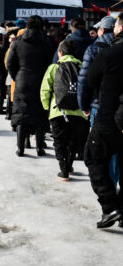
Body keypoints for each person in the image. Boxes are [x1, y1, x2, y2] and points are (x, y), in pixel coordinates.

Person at [84, 13, 123, 228]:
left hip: (109, 117)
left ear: (118, 29)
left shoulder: (107, 54)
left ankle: (110, 206)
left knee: (94, 157)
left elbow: (90, 79)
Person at [40, 39, 89, 181]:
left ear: (60, 53)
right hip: (79, 111)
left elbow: (45, 89)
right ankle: (69, 165)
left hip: (58, 111)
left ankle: (63, 169)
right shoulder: (82, 67)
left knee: (59, 140)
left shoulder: (54, 68)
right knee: (73, 140)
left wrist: (46, 107)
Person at [6, 15, 54, 156]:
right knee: (39, 115)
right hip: (41, 80)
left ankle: (20, 148)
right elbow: (51, 62)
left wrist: (17, 76)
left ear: (27, 25)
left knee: (22, 115)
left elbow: (10, 63)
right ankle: (39, 147)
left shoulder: (18, 42)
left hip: (22, 80)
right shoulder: (47, 42)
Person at [78, 15, 118, 175]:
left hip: (98, 105)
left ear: (102, 30)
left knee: (99, 148)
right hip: (118, 106)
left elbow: (84, 80)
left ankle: (106, 187)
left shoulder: (94, 49)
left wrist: (83, 105)